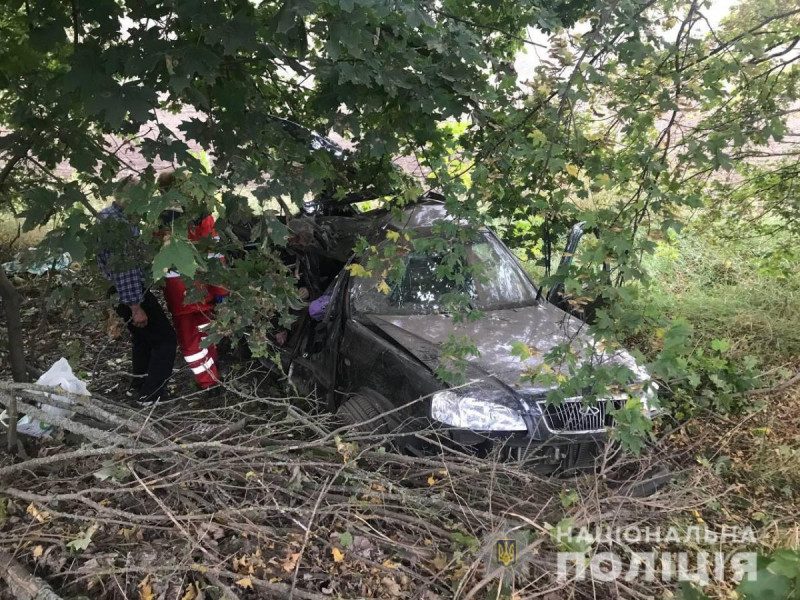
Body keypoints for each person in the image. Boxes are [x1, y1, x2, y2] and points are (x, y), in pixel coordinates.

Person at [97, 179, 177, 406]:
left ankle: (139, 383)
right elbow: (125, 267)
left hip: (117, 290)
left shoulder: (106, 216)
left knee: (143, 339)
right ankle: (151, 394)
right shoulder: (118, 225)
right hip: (129, 291)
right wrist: (135, 306)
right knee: (166, 340)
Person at [157, 170, 227, 390]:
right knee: (205, 334)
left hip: (180, 293)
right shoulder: (202, 216)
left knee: (192, 341)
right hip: (203, 288)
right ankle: (211, 378)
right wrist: (221, 292)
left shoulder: (160, 220)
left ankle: (208, 382)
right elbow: (216, 256)